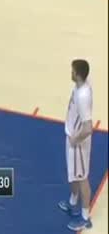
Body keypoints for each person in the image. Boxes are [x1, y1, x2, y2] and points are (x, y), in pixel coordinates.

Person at [58, 59, 94, 231]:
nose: (70, 73)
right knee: (73, 175)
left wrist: (75, 139)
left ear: (78, 75)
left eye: (72, 71)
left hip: (78, 142)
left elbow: (88, 127)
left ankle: (85, 217)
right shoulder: (81, 85)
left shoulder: (83, 96)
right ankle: (73, 201)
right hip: (72, 136)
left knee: (82, 178)